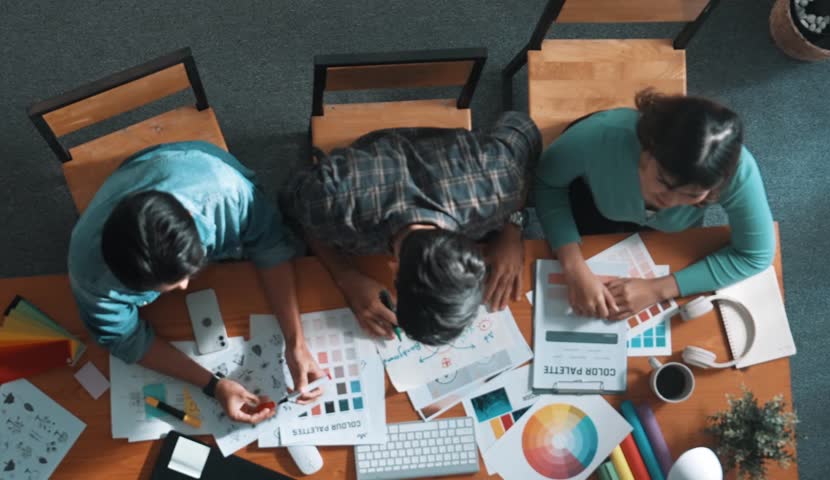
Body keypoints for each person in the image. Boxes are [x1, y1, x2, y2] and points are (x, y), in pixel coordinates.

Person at [68, 141, 323, 424]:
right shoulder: (89, 272)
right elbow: (122, 338)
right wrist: (213, 385)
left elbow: (270, 245)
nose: (184, 288)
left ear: (189, 220)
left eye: (185, 275)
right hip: (141, 174)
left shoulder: (226, 193)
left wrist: (295, 342)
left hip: (192, 163)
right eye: (163, 288)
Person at [280, 112, 542, 345]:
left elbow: (523, 126)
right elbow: (290, 203)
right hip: (364, 164)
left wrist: (512, 228)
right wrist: (345, 276)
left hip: (453, 162)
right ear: (393, 271)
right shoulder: (330, 200)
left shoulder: (499, 183)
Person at [534, 89, 775, 320]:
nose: (669, 201)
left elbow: (756, 255)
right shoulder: (598, 136)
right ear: (647, 150)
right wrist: (573, 266)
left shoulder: (739, 172)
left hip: (662, 231)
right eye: (663, 181)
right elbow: (547, 182)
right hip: (592, 199)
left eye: (692, 195)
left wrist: (658, 289)